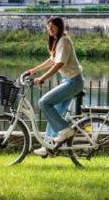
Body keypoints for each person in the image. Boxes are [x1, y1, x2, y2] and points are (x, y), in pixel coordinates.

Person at [26, 17, 84, 157]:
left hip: (73, 82)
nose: (50, 29)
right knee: (54, 116)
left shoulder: (64, 41)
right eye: (48, 27)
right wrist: (33, 71)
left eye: (52, 26)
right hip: (68, 81)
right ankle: (48, 147)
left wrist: (42, 78)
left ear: (59, 26)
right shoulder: (57, 41)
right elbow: (52, 60)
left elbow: (59, 64)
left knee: (44, 103)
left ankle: (65, 131)